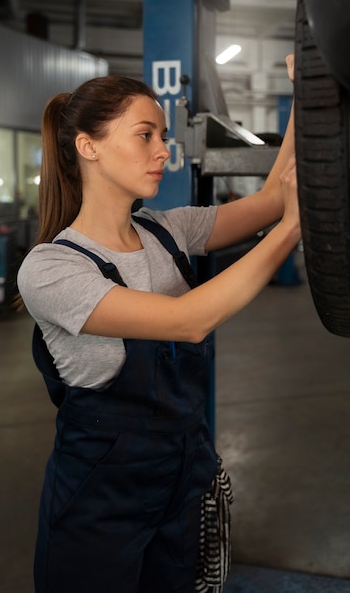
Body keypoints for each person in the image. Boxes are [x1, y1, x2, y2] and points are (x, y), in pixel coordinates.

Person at [17, 55, 300, 593]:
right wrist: (288, 234)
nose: (163, 151)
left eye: (163, 136)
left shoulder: (168, 231)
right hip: (100, 504)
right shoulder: (51, 269)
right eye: (145, 135)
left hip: (181, 481)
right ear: (88, 146)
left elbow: (271, 198)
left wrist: (305, 90)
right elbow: (188, 321)